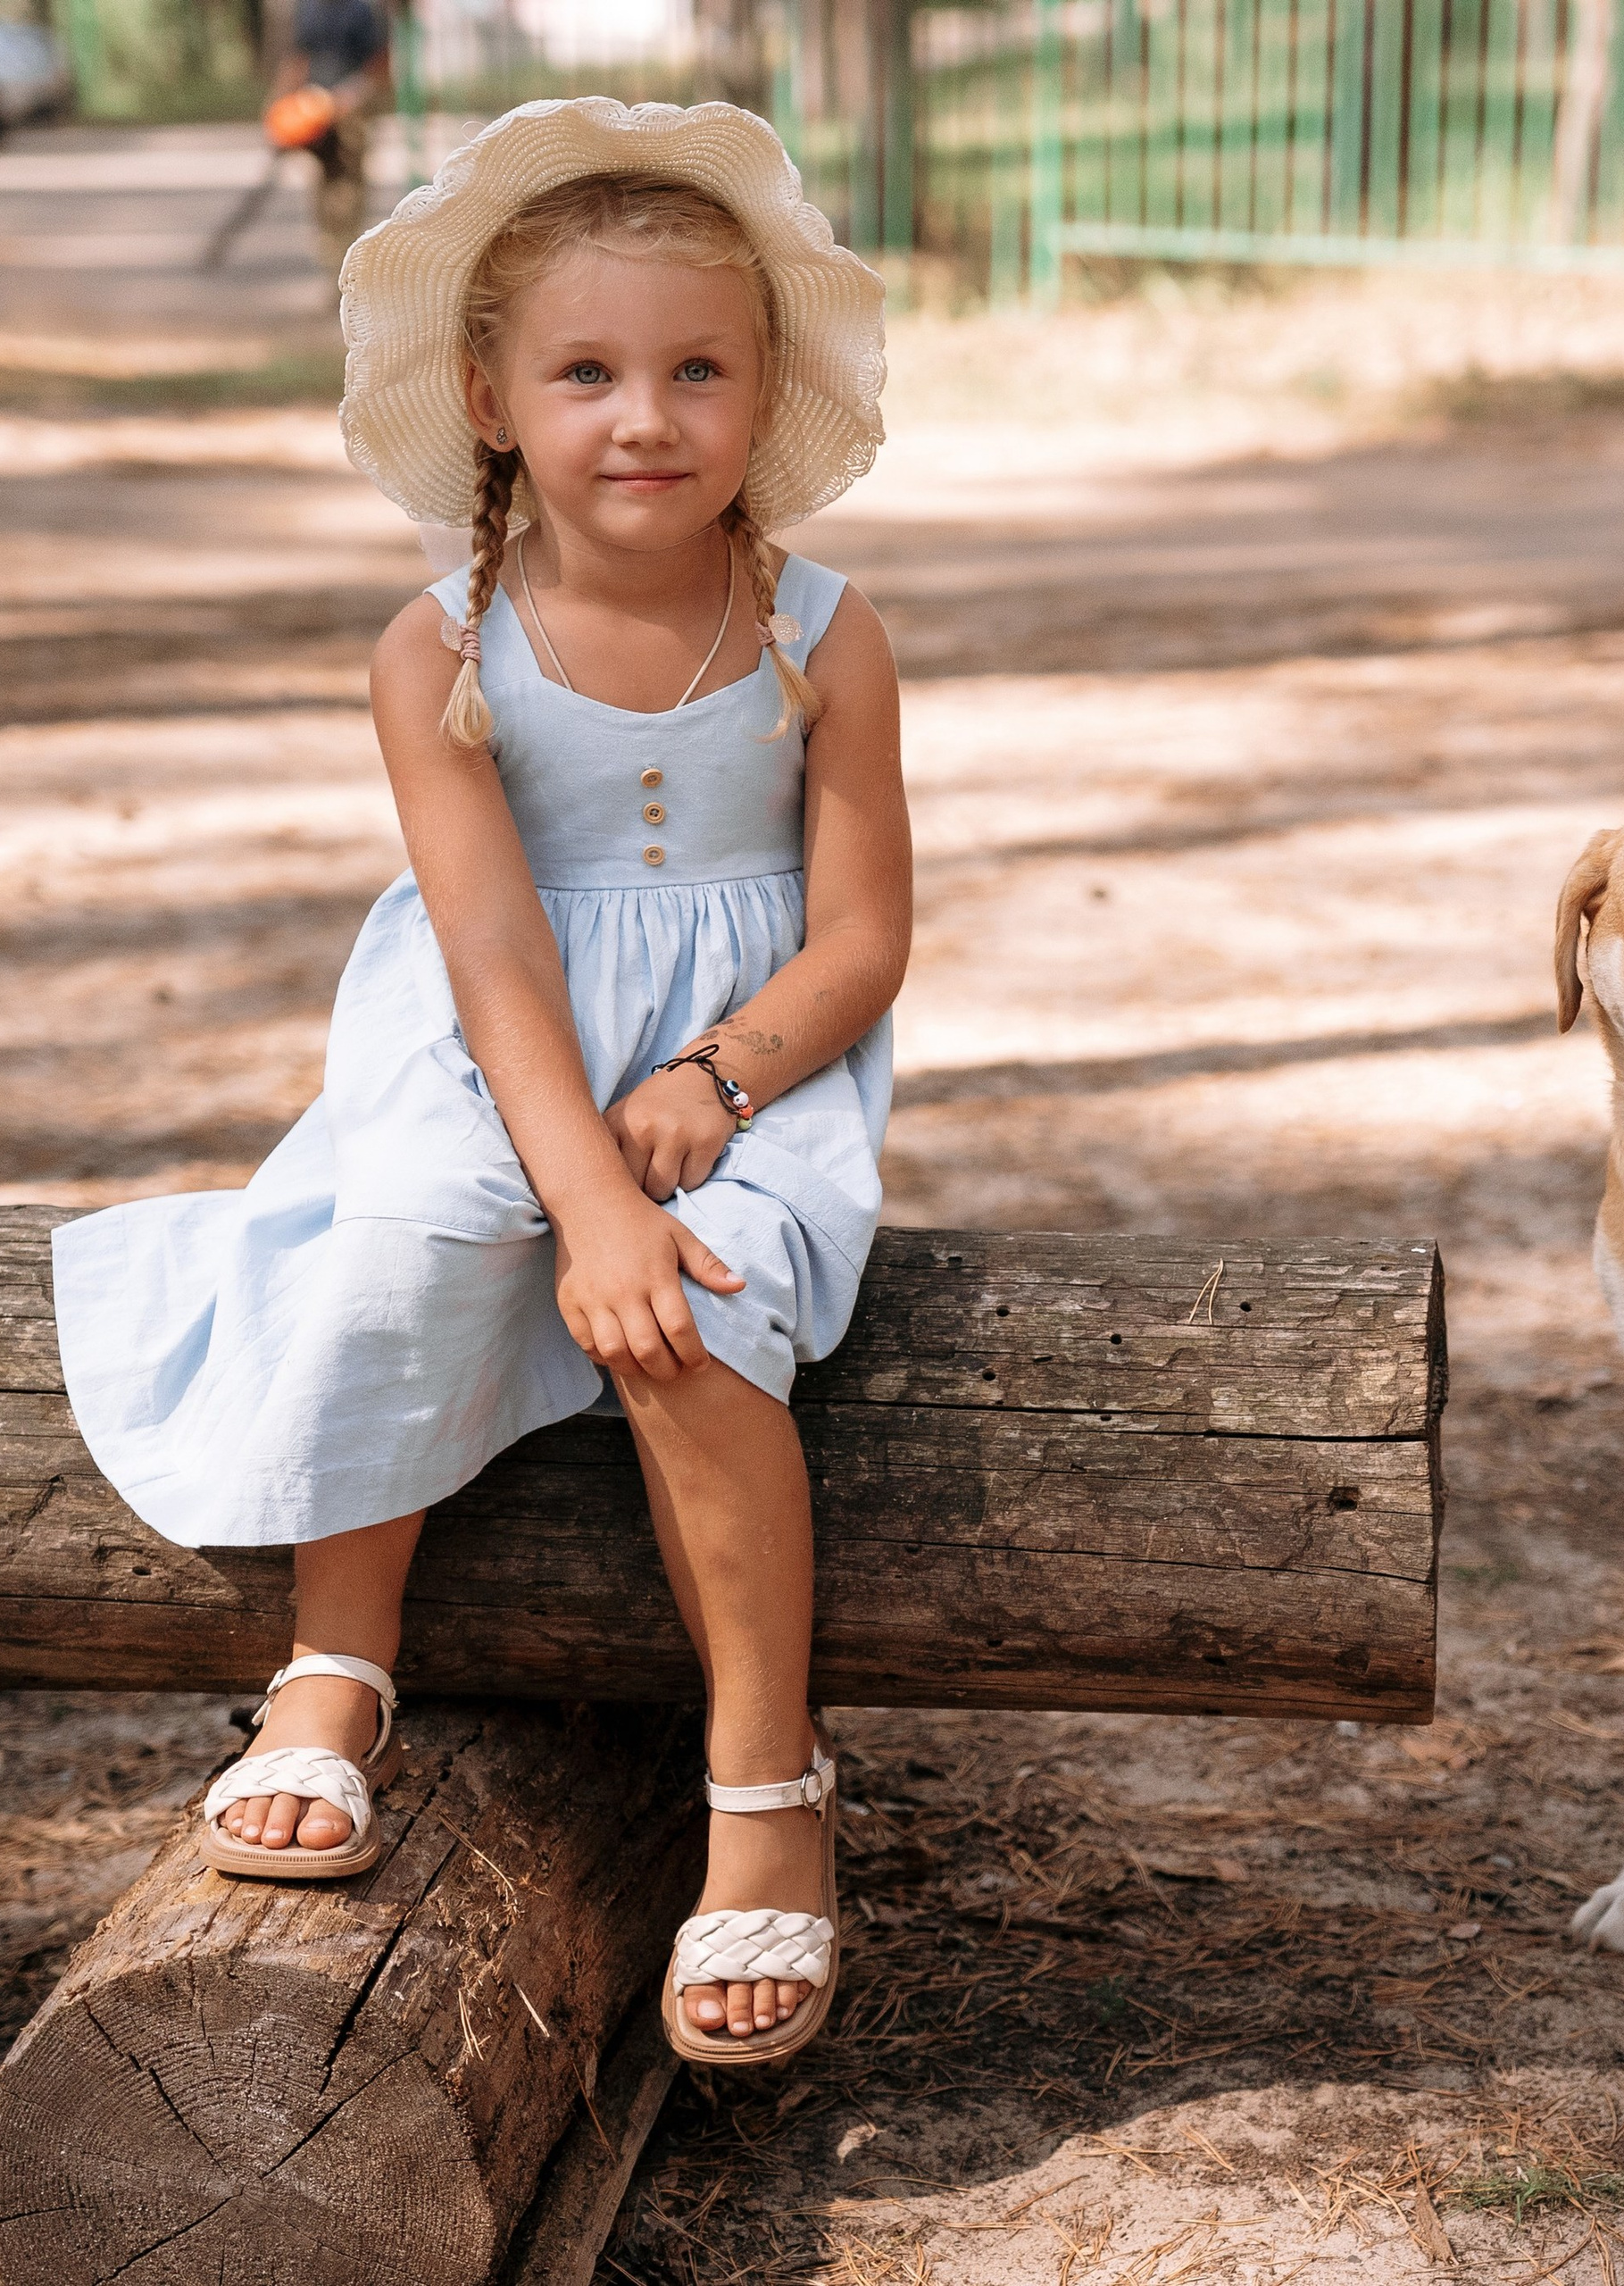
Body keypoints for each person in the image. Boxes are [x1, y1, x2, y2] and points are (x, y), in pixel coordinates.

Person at [50, 98, 906, 2070]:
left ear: (762, 391)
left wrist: (714, 1077)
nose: (646, 416)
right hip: (481, 1028)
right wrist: (580, 1195)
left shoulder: (824, 636)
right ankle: (333, 1664)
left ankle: (764, 1781)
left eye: (699, 368)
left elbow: (860, 938)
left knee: (698, 1319)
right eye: (588, 371)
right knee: (425, 1222)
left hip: (750, 1054)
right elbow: (494, 953)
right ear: (491, 397)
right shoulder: (437, 643)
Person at [274, 0, 391, 275]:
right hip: (314, 111)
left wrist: (349, 98)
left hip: (351, 113)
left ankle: (348, 259)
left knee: (348, 187)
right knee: (324, 183)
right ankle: (331, 257)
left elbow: (379, 64)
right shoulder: (308, 9)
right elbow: (298, 58)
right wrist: (281, 104)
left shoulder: (361, 11)